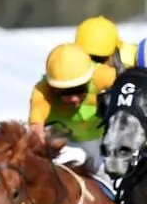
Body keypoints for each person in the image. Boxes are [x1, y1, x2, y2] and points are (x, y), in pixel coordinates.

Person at [29, 42, 117, 193]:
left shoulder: (102, 75)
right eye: (65, 93)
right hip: (72, 145)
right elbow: (38, 112)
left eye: (79, 89)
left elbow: (133, 84)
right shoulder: (42, 90)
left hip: (106, 143)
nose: (74, 99)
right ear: (53, 88)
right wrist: (36, 128)